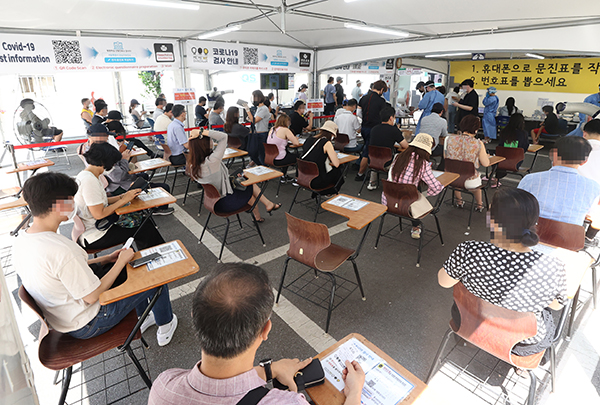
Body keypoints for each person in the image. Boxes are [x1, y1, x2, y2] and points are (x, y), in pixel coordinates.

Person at [148, 262, 365, 405]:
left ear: (194, 315)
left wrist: (267, 371)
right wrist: (354, 392)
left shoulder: (163, 387)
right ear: (265, 330)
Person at [13, 172, 178, 345]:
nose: (74, 203)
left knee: (130, 269)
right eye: (71, 199)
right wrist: (121, 261)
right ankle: (165, 324)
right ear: (60, 206)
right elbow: (92, 296)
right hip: (89, 322)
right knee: (156, 275)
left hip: (61, 315)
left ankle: (144, 316)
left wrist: (107, 259)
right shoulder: (63, 250)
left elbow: (61, 272)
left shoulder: (23, 239)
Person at [438, 188, 567, 356]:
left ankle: (472, 342)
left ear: (493, 221)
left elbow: (444, 281)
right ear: (534, 223)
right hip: (520, 343)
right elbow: (556, 305)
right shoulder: (552, 266)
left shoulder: (468, 251)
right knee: (547, 318)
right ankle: (522, 367)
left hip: (469, 323)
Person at [74, 142, 167, 251]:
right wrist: (124, 200)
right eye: (113, 163)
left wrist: (122, 196)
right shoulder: (89, 181)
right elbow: (99, 214)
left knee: (143, 223)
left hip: (97, 226)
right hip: (96, 234)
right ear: (105, 161)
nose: (113, 166)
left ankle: (150, 256)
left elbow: (99, 202)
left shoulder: (89, 175)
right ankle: (157, 258)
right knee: (144, 227)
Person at [187, 129, 281, 222]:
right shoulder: (212, 161)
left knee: (246, 187)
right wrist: (200, 132)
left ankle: (260, 214)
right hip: (224, 202)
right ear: (205, 145)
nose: (212, 141)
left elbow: (215, 179)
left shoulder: (193, 164)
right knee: (249, 184)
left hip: (212, 201)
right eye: (210, 140)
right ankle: (267, 205)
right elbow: (223, 137)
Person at [80, 124, 173, 214]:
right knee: (163, 187)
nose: (108, 138)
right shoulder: (92, 174)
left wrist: (122, 198)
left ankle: (147, 207)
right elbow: (117, 177)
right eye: (106, 135)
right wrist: (124, 160)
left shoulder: (88, 151)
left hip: (114, 186)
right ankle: (150, 208)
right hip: (118, 186)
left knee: (144, 177)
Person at [518, 136, 600, 226]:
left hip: (531, 234)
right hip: (569, 237)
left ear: (554, 155)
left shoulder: (530, 179)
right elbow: (590, 213)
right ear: (584, 161)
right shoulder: (594, 187)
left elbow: (518, 206)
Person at [383, 133, 443, 239]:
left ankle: (415, 225)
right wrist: (441, 185)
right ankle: (415, 226)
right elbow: (435, 187)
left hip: (389, 201)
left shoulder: (398, 157)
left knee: (410, 189)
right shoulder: (422, 164)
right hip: (407, 204)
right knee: (414, 193)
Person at [444, 115, 491, 211]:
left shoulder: (449, 139)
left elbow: (446, 158)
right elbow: (486, 163)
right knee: (476, 179)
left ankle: (459, 201)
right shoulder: (478, 143)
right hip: (470, 181)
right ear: (476, 129)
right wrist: (486, 156)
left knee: (457, 172)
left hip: (453, 178)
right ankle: (479, 205)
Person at [365, 106, 410, 191]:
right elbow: (405, 146)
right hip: (387, 164)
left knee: (378, 154)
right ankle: (396, 182)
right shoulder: (394, 131)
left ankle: (372, 182)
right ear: (391, 118)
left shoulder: (374, 129)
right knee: (399, 155)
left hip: (372, 162)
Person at [355, 80, 389, 182]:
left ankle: (362, 169)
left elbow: (359, 113)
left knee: (367, 148)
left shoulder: (363, 98)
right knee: (368, 152)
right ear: (382, 89)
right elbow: (384, 116)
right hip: (375, 129)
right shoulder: (381, 101)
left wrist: (366, 118)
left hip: (364, 127)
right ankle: (360, 174)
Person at [301, 121, 343, 195]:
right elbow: (336, 164)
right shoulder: (326, 143)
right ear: (332, 134)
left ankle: (323, 193)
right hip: (316, 180)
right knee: (338, 173)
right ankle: (328, 193)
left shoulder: (309, 139)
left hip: (303, 177)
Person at [578, 120, 600, 239]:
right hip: (594, 207)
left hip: (568, 202)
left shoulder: (573, 150)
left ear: (584, 134)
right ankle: (589, 237)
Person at [495, 113, 530, 180]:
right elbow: (525, 147)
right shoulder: (524, 134)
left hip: (501, 161)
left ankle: (496, 178)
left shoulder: (504, 132)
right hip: (516, 162)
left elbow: (500, 146)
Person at [247, 90, 272, 166]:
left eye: (254, 98)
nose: (253, 100)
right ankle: (262, 169)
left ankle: (266, 172)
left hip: (262, 134)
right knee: (254, 154)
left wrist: (247, 110)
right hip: (257, 134)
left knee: (262, 156)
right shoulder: (259, 108)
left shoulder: (264, 109)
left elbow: (254, 121)